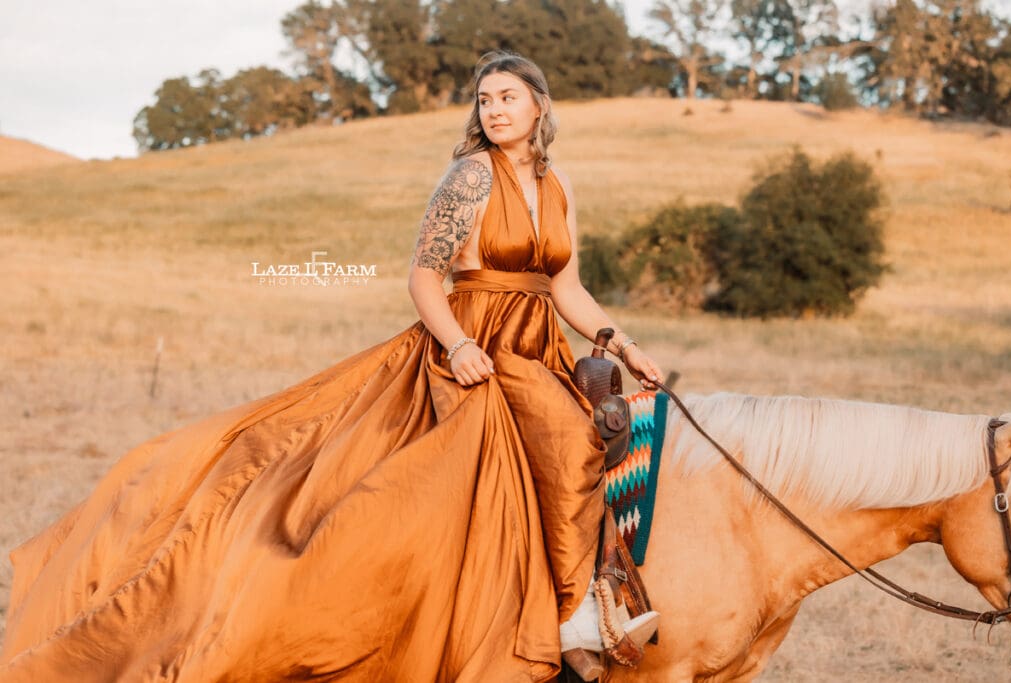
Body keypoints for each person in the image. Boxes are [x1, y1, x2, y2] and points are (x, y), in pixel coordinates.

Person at [0, 50, 664, 682]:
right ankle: (576, 619)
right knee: (564, 442)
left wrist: (625, 344)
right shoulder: (471, 174)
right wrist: (459, 345)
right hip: (476, 343)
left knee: (576, 440)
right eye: (484, 99)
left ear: (540, 105)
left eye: (508, 97)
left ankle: (571, 605)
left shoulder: (558, 185)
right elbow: (424, 276)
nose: (494, 110)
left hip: (537, 339)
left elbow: (566, 286)